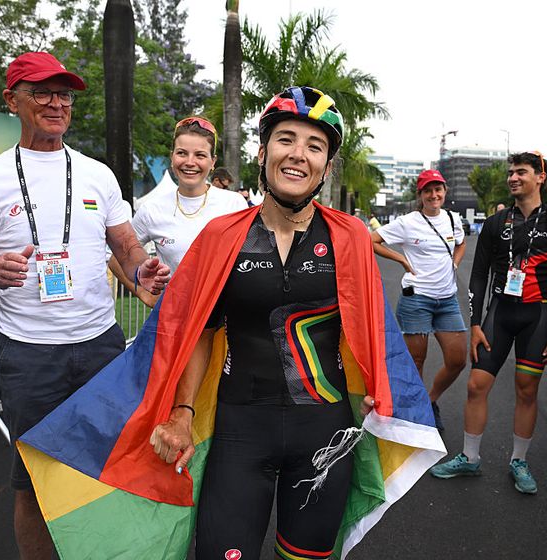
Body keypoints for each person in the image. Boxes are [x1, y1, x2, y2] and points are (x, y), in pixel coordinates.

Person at [145, 86, 440, 558]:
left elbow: (373, 331)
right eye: (286, 139)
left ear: (326, 166)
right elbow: (197, 331)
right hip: (240, 431)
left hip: (325, 437)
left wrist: (380, 390)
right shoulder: (222, 237)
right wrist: (181, 414)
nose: (298, 155)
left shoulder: (350, 238)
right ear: (263, 153)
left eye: (315, 146)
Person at [0, 51, 169, 559]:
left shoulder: (98, 175)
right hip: (30, 356)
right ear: (13, 100)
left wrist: (142, 271)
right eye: (42, 91)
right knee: (33, 485)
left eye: (64, 94)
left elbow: (128, 248)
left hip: (101, 349)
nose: (56, 103)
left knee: (107, 472)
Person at [430, 151, 547, 494]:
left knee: (527, 389)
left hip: (538, 315)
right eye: (510, 172)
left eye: (521, 172)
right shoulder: (496, 223)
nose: (512, 178)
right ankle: (469, 457)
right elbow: (478, 276)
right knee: (476, 385)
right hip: (499, 314)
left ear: (541, 177)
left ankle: (519, 461)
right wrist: (476, 322)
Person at [109, 117, 247, 307]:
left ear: (213, 161)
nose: (190, 162)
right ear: (172, 156)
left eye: (200, 155)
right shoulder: (152, 209)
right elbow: (116, 258)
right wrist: (144, 293)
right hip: (175, 319)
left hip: (225, 318)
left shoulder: (234, 204)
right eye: (182, 153)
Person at [370, 168, 466, 430]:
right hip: (417, 299)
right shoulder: (407, 222)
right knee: (416, 361)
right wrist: (401, 258)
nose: (433, 195)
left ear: (445, 191)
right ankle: (413, 415)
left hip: (447, 300)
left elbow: (461, 243)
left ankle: (430, 400)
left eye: (438, 189)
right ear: (420, 194)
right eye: (428, 190)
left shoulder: (452, 218)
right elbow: (372, 240)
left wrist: (455, 264)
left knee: (458, 360)